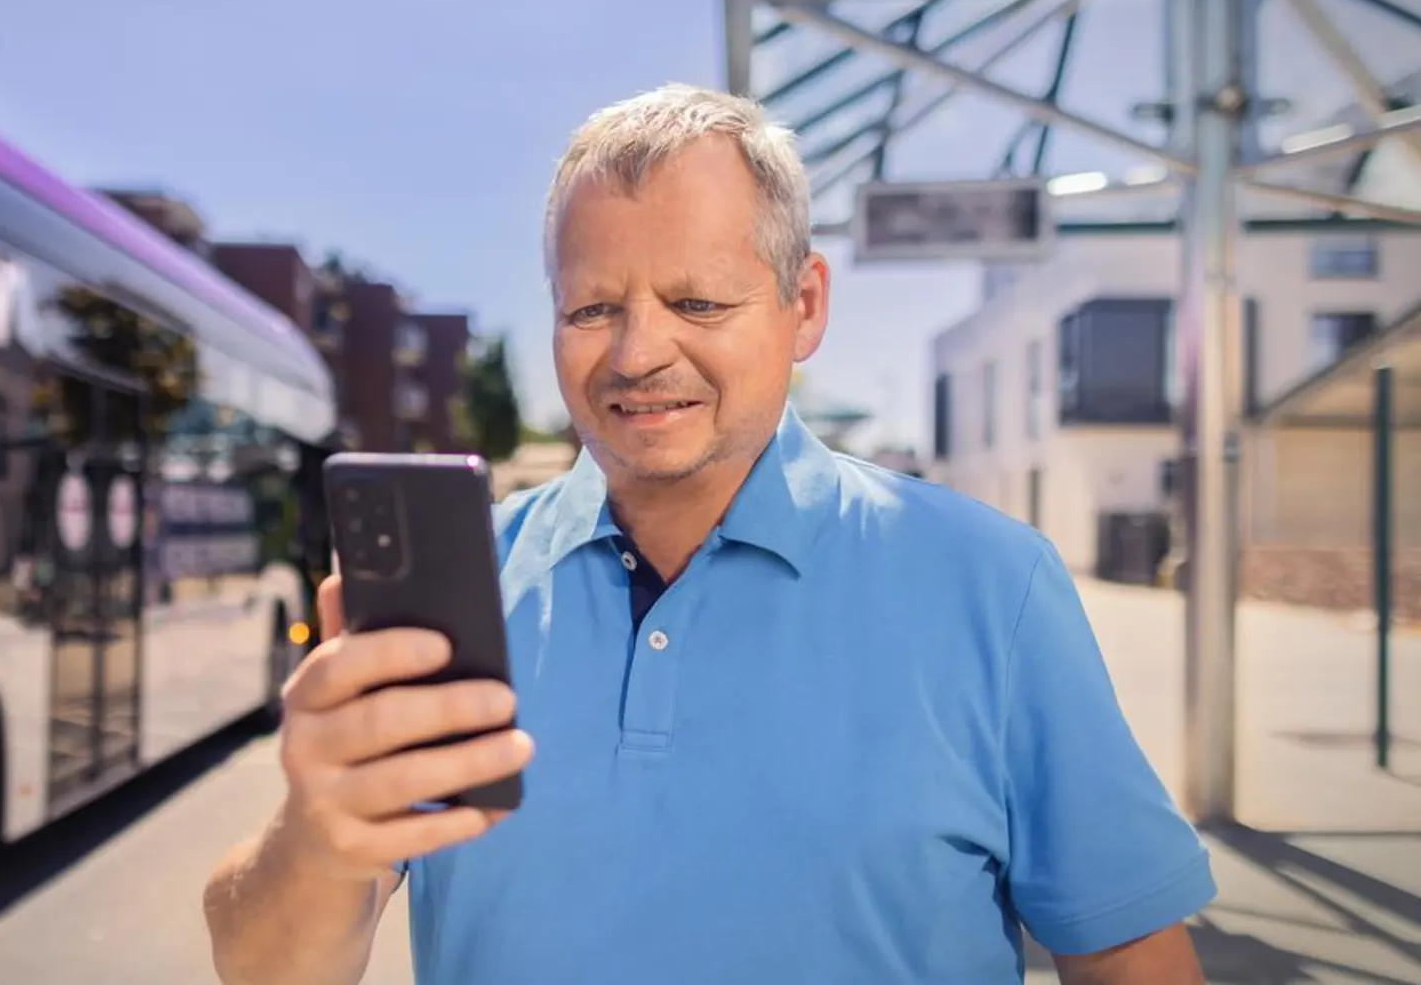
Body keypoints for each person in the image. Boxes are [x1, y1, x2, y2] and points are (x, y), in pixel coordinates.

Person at [203, 84, 1215, 984]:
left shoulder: (993, 587)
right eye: (593, 307)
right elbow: (262, 969)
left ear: (803, 305)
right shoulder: (468, 586)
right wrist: (319, 833)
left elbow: (1130, 956)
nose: (640, 353)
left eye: (697, 301)